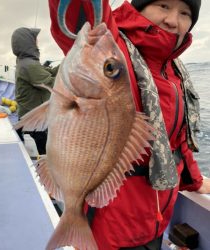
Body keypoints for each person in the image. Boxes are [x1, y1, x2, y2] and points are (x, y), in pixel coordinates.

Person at [48, 0, 210, 249]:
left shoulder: (174, 74)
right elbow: (79, 15)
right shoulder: (112, 49)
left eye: (185, 13)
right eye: (164, 5)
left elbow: (176, 143)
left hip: (156, 223)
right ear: (139, 8)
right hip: (109, 230)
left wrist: (196, 182)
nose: (173, 20)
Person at [11, 27, 58, 155]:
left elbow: (49, 73)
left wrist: (66, 63)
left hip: (30, 118)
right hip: (34, 122)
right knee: (44, 156)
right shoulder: (29, 65)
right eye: (35, 39)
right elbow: (50, 84)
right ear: (28, 42)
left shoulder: (26, 62)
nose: (37, 42)